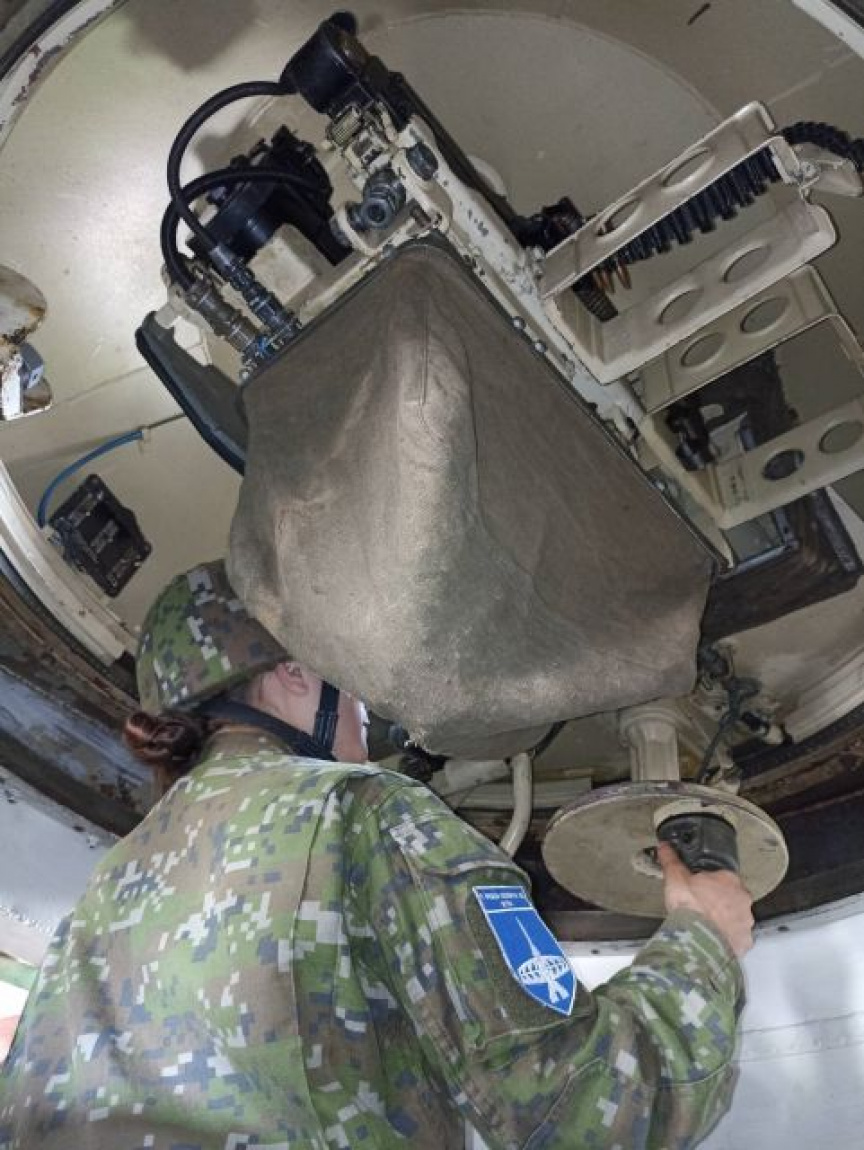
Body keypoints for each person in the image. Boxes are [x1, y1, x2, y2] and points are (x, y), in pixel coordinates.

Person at [0, 560, 754, 1149]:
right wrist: (704, 942)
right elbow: (589, 1110)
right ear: (296, 673)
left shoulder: (109, 886)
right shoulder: (364, 810)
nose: (363, 712)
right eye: (351, 681)